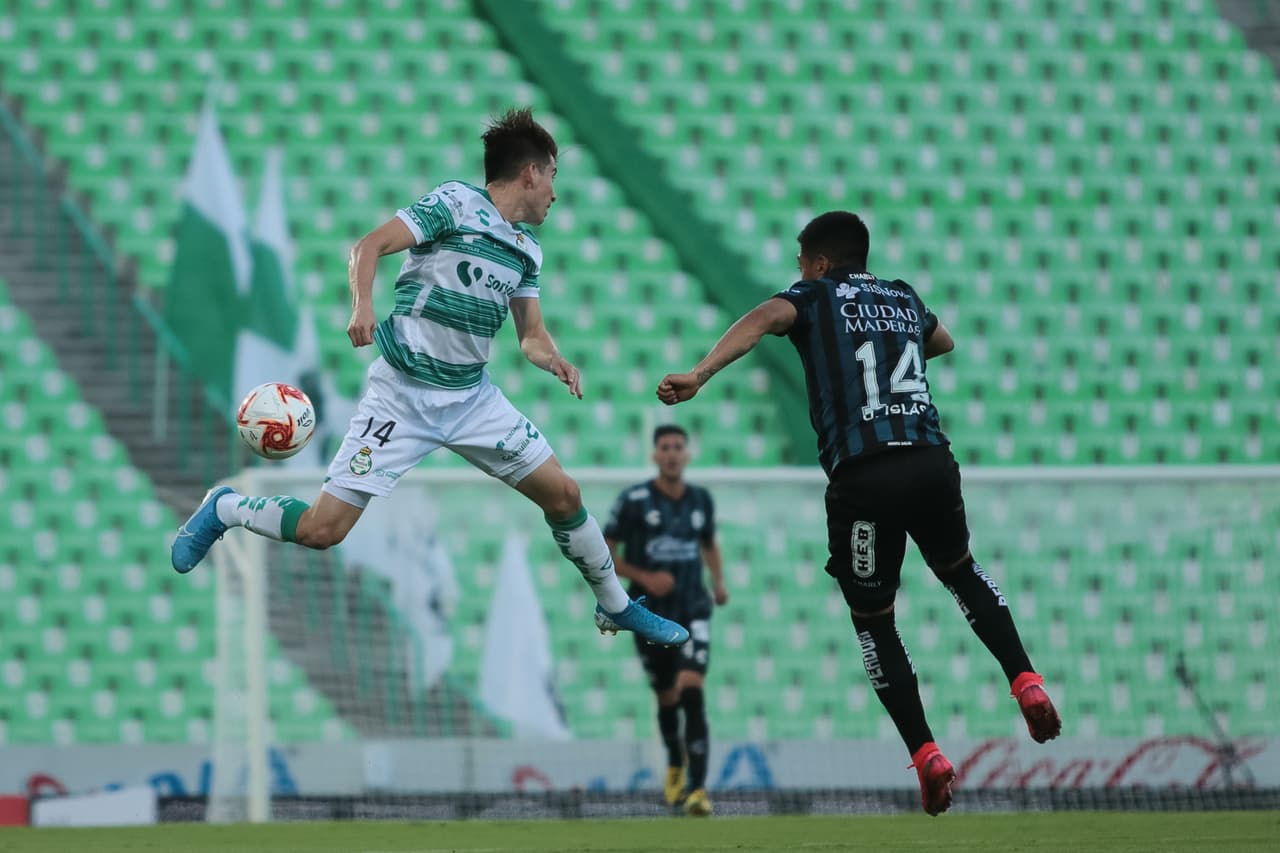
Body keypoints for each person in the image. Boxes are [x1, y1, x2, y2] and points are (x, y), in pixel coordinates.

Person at [171, 107, 688, 649]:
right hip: (401, 397)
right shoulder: (455, 204)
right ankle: (226, 507)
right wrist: (362, 305)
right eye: (553, 176)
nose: (555, 194)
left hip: (472, 401)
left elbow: (531, 335)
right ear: (531, 172)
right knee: (323, 531)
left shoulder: (526, 251)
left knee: (564, 495)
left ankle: (615, 606)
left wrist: (553, 358)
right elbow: (368, 246)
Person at [655, 211, 1061, 816]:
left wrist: (699, 373)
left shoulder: (814, 296)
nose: (798, 273)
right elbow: (944, 341)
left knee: (874, 620)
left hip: (865, 476)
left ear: (820, 263)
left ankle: (926, 752)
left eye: (801, 264)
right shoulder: (902, 296)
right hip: (930, 460)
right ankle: (1025, 680)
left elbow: (764, 318)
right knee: (961, 570)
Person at [603, 424, 727, 816]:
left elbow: (708, 543)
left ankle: (698, 789)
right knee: (667, 697)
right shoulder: (633, 500)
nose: (672, 453)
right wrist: (644, 577)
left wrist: (718, 582)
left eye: (678, 447)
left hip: (693, 608)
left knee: (691, 687)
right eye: (665, 447)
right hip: (649, 615)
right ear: (655, 455)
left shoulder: (701, 500)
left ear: (686, 454)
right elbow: (605, 552)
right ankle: (675, 760)